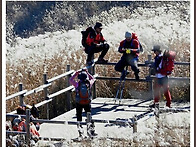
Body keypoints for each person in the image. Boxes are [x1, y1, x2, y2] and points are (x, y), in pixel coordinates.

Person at [69, 69, 97, 137]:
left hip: (79, 103)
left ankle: (81, 133)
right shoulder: (89, 83)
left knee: (79, 117)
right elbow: (93, 78)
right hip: (87, 103)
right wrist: (88, 72)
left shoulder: (77, 84)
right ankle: (91, 132)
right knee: (89, 117)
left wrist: (76, 73)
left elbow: (70, 80)